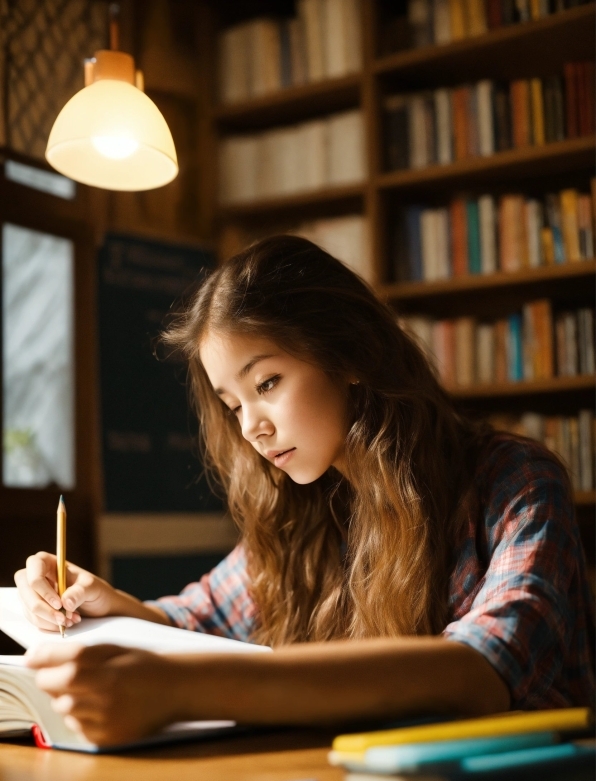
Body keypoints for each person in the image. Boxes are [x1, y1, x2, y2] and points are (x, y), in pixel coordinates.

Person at [16, 236, 594, 746]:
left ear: (348, 354)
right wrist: (103, 602)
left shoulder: (514, 481)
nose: (251, 427)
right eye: (232, 404)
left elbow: (484, 670)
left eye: (267, 382)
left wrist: (187, 689)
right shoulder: (310, 506)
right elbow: (199, 616)